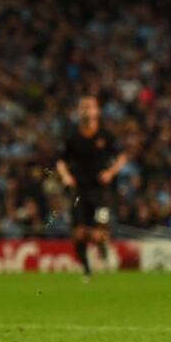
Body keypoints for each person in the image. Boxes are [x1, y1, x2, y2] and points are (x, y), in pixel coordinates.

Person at [56, 95, 128, 280]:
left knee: (99, 231)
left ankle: (102, 244)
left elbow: (122, 157)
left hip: (102, 192)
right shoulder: (72, 137)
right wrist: (66, 177)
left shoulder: (106, 135)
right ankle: (87, 270)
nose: (87, 110)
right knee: (79, 234)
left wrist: (111, 172)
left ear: (97, 111)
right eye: (83, 107)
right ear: (79, 112)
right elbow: (61, 162)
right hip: (79, 191)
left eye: (90, 107)